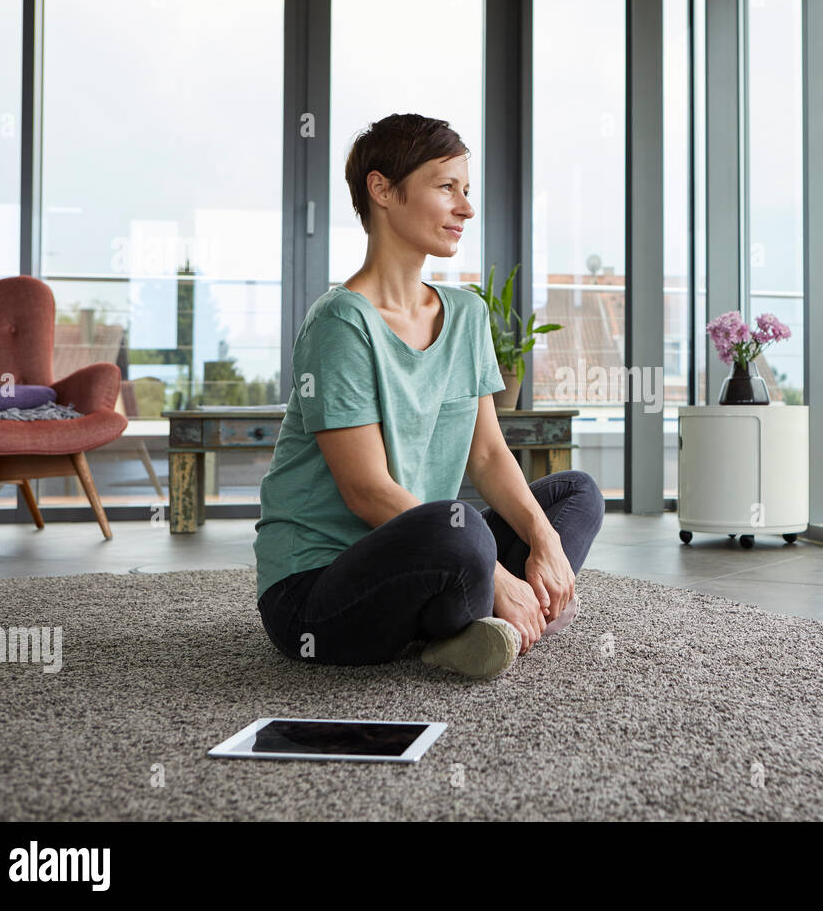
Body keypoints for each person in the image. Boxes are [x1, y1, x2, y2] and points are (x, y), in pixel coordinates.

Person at [253, 113, 604, 679]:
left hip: (427, 554)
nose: (466, 208)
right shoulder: (341, 324)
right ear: (383, 189)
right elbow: (367, 491)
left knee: (574, 494)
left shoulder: (465, 314)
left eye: (467, 191)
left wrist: (545, 543)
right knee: (456, 529)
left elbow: (487, 454)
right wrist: (497, 572)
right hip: (317, 592)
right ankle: (482, 613)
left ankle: (466, 623)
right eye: (447, 187)